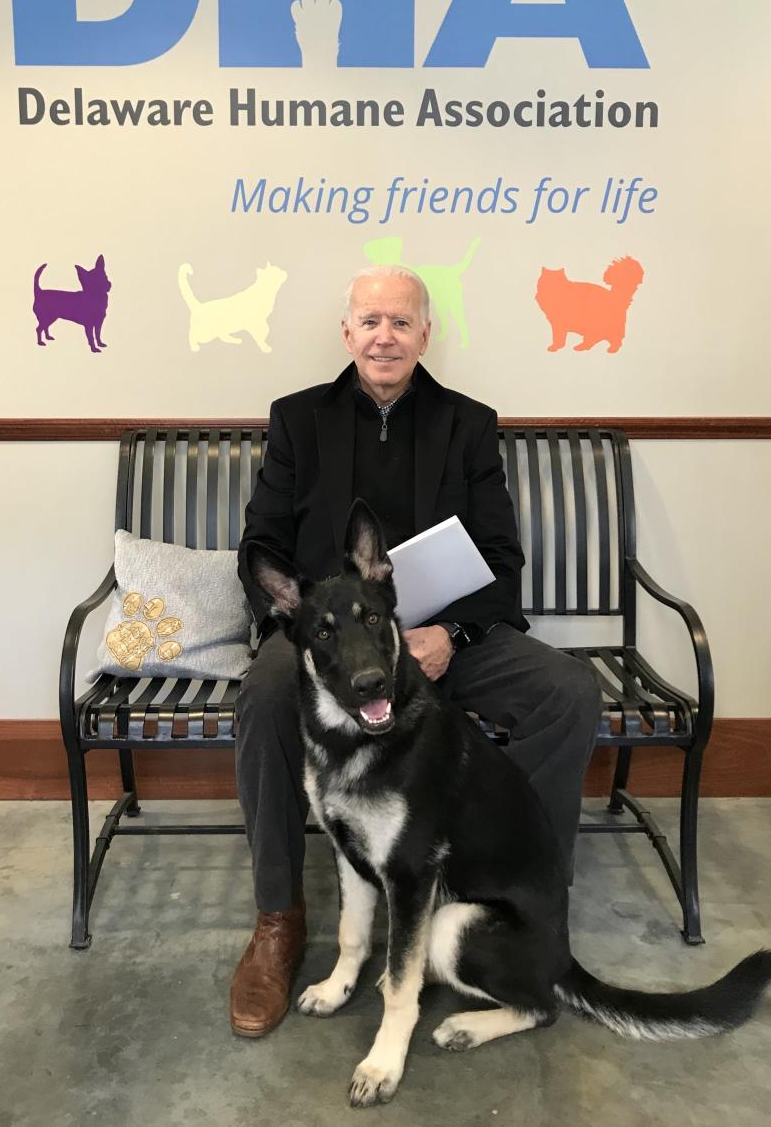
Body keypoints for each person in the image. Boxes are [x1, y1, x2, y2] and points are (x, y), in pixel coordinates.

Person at [230, 265, 602, 1037]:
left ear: (426, 334)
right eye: (370, 321)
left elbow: (502, 559)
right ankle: (277, 919)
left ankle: (512, 903)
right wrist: (299, 626)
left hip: (446, 635)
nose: (384, 336)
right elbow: (262, 543)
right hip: (335, 642)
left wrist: (451, 635)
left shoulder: (467, 423)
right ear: (347, 333)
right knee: (267, 691)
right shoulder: (298, 421)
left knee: (566, 693)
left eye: (401, 322)